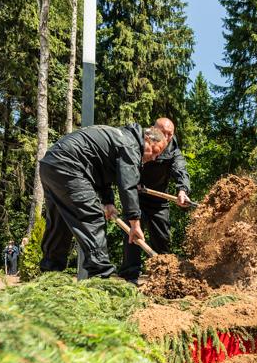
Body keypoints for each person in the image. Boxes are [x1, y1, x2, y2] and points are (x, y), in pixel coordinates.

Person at [39, 123, 169, 279]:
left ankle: (50, 274)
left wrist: (108, 202)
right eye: (155, 151)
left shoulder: (121, 139)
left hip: (51, 164)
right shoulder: (130, 145)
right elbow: (128, 186)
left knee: (60, 223)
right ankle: (101, 277)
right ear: (147, 138)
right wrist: (135, 223)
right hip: (69, 164)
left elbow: (100, 173)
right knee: (92, 218)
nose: (153, 158)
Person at [119, 118, 191, 285]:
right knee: (133, 235)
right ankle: (131, 276)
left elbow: (180, 169)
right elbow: (127, 163)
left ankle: (163, 277)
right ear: (152, 129)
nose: (166, 137)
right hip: (136, 197)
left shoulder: (173, 149)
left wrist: (182, 190)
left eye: (170, 134)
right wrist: (133, 182)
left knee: (162, 238)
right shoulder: (140, 141)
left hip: (159, 200)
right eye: (163, 133)